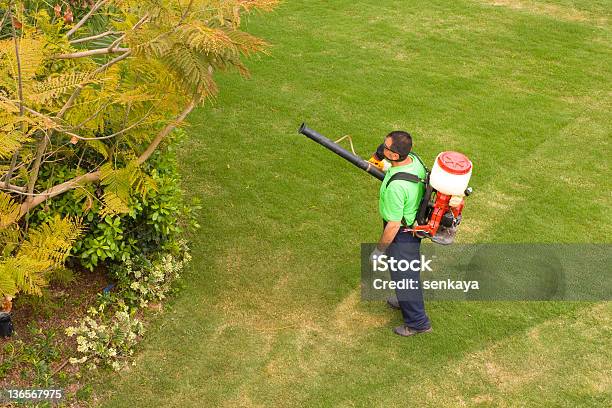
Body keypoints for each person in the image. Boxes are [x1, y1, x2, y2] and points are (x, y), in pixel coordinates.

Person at [370, 131, 432, 337]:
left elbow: (393, 226)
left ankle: (418, 323)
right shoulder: (414, 160)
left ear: (395, 155)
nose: (382, 148)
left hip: (402, 233)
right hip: (411, 226)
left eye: (386, 147)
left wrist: (379, 251)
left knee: (405, 276)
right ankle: (403, 298)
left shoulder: (397, 188)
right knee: (402, 273)